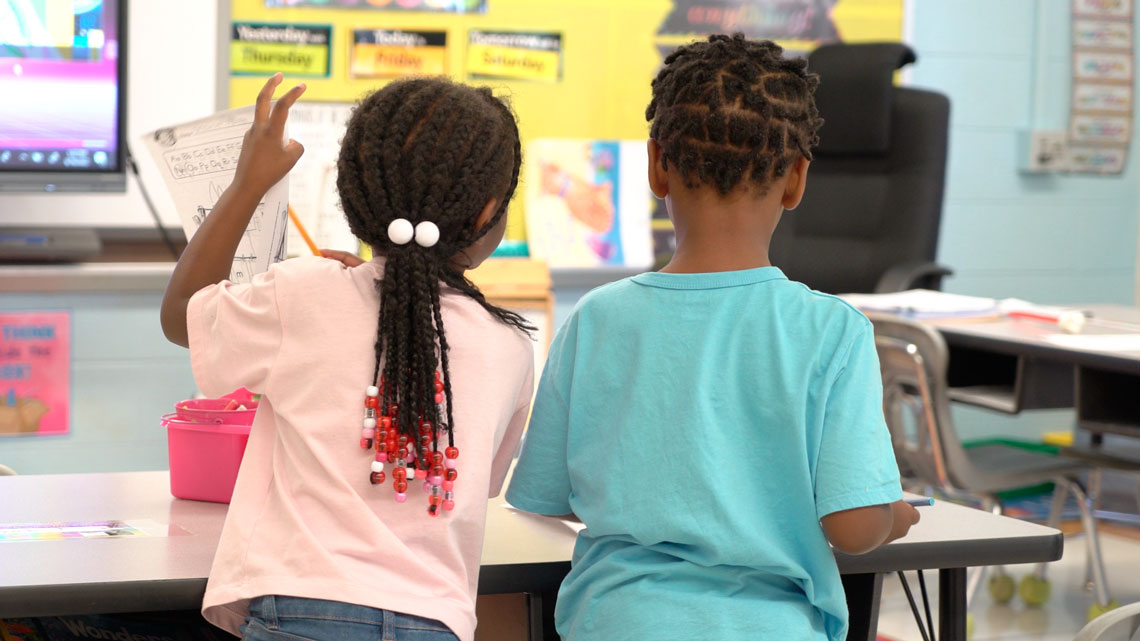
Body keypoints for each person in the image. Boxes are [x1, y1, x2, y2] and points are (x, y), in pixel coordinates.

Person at [505, 35, 919, 641]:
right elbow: (854, 528)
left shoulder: (596, 318)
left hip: (612, 622)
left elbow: (547, 494)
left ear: (656, 167)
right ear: (797, 179)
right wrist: (894, 514)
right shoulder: (833, 330)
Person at [160, 73, 535, 641]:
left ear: (356, 196)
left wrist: (248, 185)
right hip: (433, 621)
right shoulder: (509, 346)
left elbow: (181, 314)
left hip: (299, 611)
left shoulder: (303, 294)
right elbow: (468, 483)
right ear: (489, 215)